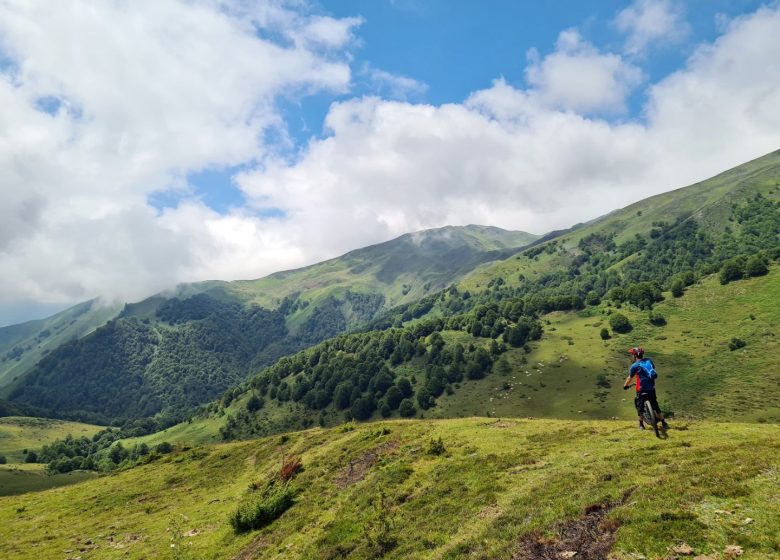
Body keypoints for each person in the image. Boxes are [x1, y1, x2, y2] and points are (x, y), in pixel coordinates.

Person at [622, 346, 669, 430]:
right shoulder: (649, 361)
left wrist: (625, 386)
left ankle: (641, 425)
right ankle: (664, 422)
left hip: (641, 389)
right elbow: (653, 371)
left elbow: (630, 378)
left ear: (635, 356)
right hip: (651, 387)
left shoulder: (634, 366)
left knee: (640, 407)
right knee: (655, 405)